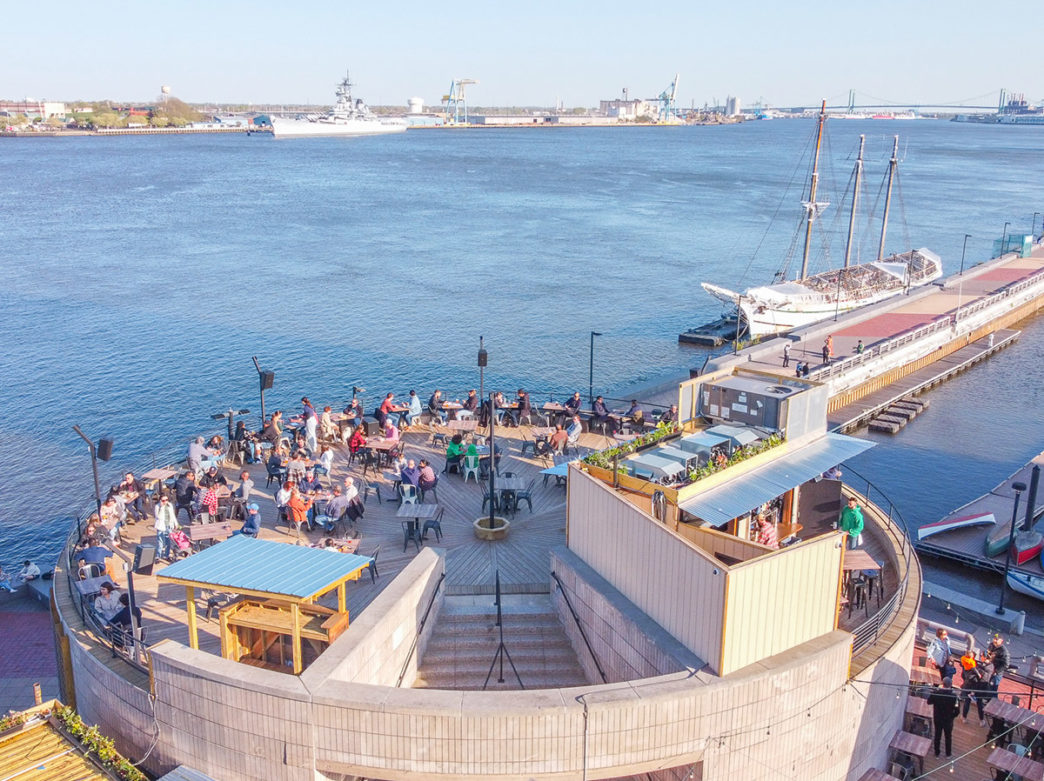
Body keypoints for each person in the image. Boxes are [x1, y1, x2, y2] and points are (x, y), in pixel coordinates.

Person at [927, 677, 960, 758]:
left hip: (938, 718)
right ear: (951, 685)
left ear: (942, 684)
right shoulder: (954, 696)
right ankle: (948, 754)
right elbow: (957, 711)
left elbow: (929, 702)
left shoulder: (937, 693)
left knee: (937, 735)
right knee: (948, 736)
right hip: (948, 720)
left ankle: (937, 753)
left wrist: (934, 692)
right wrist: (952, 716)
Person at [959, 653, 987, 725]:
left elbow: (964, 674)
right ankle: (981, 720)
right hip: (974, 685)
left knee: (969, 702)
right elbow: (982, 676)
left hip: (971, 685)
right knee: (977, 703)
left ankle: (964, 717)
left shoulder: (967, 663)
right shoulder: (974, 664)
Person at [154, 494, 178, 560]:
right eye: (163, 500)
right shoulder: (157, 506)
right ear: (160, 500)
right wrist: (161, 508)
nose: (165, 502)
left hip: (169, 525)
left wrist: (175, 523)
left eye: (166, 500)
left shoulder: (170, 505)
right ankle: (158, 556)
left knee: (168, 541)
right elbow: (158, 517)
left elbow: (172, 515)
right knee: (160, 542)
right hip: (161, 526)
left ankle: (166, 555)